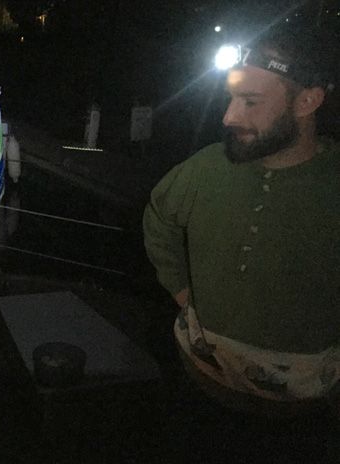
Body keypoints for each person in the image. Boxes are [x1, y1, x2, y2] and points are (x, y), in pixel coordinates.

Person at [143, 24, 339, 462]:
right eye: (231, 98)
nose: (229, 117)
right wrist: (179, 288)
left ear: (307, 102)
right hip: (195, 389)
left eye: (250, 102)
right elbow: (159, 218)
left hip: (298, 421)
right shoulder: (206, 166)